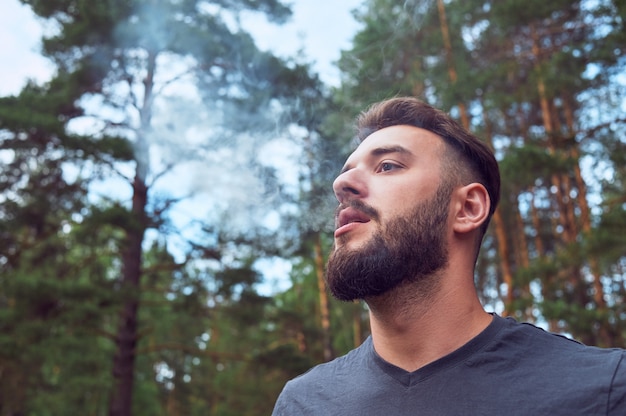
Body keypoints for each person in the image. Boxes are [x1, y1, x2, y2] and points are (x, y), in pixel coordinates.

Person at [271, 97, 626, 415]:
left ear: (467, 208)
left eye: (388, 166)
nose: (341, 184)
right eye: (347, 171)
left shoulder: (601, 390)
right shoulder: (303, 403)